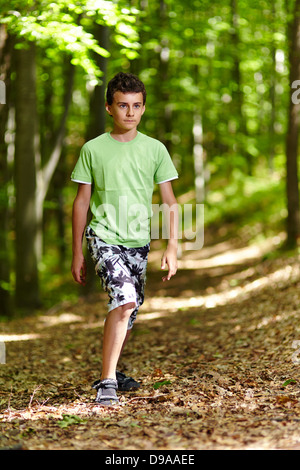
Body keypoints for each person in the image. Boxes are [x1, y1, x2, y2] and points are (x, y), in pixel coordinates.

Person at [71, 72, 178, 406]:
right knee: (125, 299)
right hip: (103, 237)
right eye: (122, 105)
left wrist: (172, 245)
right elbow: (81, 203)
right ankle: (107, 382)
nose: (129, 112)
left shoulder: (155, 149)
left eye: (136, 106)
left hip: (138, 241)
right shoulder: (92, 150)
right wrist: (77, 253)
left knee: (129, 310)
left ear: (143, 109)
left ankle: (113, 370)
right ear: (109, 107)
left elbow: (170, 202)